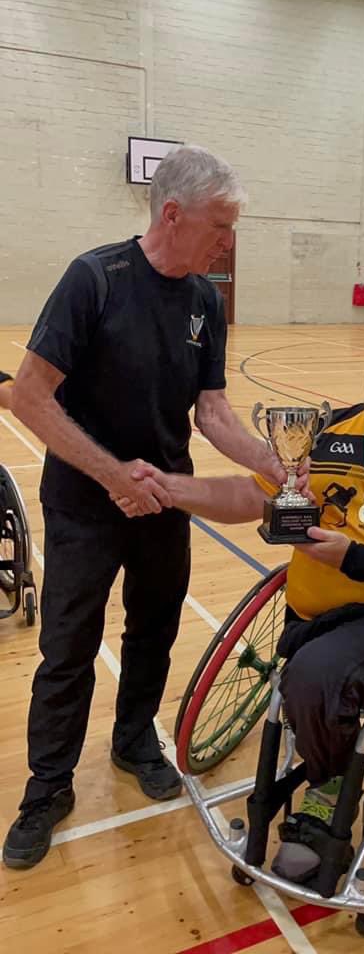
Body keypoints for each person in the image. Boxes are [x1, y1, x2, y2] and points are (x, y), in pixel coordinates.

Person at [115, 304, 364, 882]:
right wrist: (169, 488)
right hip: (311, 616)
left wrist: (353, 557)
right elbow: (250, 498)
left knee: (315, 676)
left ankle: (326, 792)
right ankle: (327, 746)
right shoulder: (324, 434)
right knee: (313, 671)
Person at [3, 145, 287, 870]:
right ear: (174, 214)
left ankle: (134, 739)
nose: (228, 242)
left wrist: (269, 459)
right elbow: (28, 395)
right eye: (221, 225)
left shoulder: (205, 301)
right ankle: (47, 787)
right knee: (67, 647)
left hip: (165, 501)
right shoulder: (94, 279)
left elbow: (211, 412)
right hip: (84, 503)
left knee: (154, 630)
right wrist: (112, 476)